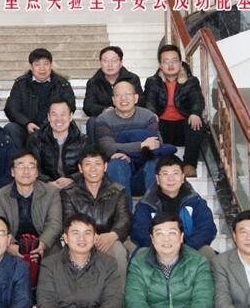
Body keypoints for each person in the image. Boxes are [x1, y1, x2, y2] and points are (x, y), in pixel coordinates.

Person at [93, 79, 165, 210]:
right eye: (119, 95)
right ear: (113, 100)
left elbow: (155, 144)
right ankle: (124, 215)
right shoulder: (103, 120)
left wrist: (125, 150)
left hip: (143, 173)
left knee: (154, 163)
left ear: (136, 98)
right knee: (117, 162)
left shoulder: (148, 116)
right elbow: (108, 148)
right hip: (118, 174)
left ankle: (153, 212)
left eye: (127, 94)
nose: (123, 99)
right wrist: (141, 145)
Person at [60, 147, 129, 282]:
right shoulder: (69, 192)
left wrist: (113, 235)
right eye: (87, 164)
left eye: (98, 164)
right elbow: (69, 220)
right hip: (80, 237)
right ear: (80, 168)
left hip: (109, 239)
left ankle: (118, 294)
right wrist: (90, 236)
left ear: (105, 167)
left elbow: (124, 218)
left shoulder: (118, 190)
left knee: (119, 252)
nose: (93, 169)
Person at [131, 154, 217, 260]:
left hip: (189, 249)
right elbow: (139, 232)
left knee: (207, 251)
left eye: (175, 173)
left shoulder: (195, 202)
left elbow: (207, 229)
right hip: (156, 250)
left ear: (182, 177)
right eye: (165, 174)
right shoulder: (146, 204)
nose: (170, 178)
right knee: (141, 253)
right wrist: (162, 249)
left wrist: (183, 249)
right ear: (157, 179)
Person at [0, 151, 63, 274]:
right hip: (11, 244)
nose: (26, 171)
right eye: (21, 166)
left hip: (45, 244)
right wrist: (10, 246)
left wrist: (42, 245)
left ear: (37, 172)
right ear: (12, 172)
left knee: (55, 266)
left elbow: (54, 224)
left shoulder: (52, 192)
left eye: (31, 166)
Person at [144, 45, 205, 177]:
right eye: (166, 61)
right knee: (148, 122)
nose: (170, 65)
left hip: (182, 127)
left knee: (196, 123)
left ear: (180, 63)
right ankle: (158, 165)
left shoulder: (191, 81)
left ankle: (189, 165)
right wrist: (151, 113)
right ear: (160, 65)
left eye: (174, 61)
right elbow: (149, 101)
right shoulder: (153, 81)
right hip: (162, 125)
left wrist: (195, 113)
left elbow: (197, 100)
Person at [3, 48, 76, 148]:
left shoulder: (62, 84)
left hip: (54, 126)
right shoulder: (20, 84)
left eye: (46, 64)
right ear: (31, 67)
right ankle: (21, 157)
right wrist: (27, 123)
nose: (42, 68)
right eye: (37, 64)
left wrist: (50, 124)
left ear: (51, 65)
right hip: (27, 128)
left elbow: (70, 106)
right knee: (11, 128)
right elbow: (12, 109)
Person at [26, 98, 88, 189]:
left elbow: (89, 167)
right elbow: (32, 166)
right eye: (54, 114)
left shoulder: (83, 141)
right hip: (44, 187)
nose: (59, 119)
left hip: (75, 187)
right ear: (48, 117)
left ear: (70, 116)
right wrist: (48, 182)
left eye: (63, 114)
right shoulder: (36, 139)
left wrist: (72, 179)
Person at [83, 46, 144, 138]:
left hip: (128, 116)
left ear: (121, 63)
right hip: (105, 119)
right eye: (105, 61)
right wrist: (103, 110)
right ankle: (94, 148)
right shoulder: (93, 82)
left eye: (114, 60)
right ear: (100, 63)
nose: (110, 65)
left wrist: (122, 110)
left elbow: (140, 102)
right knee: (92, 122)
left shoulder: (132, 79)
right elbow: (88, 106)